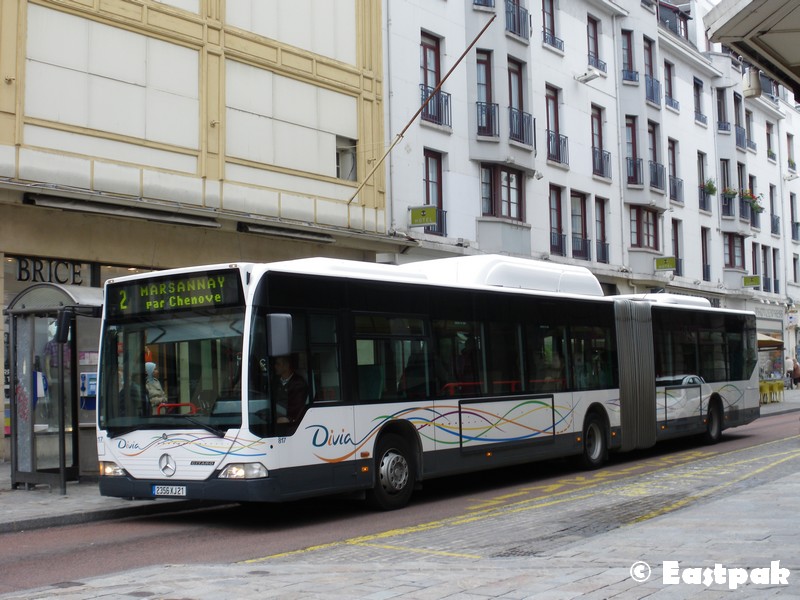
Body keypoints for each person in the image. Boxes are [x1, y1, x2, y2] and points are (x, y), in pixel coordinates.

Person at [273, 355, 308, 423]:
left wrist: (289, 418)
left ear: (287, 366)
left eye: (278, 364)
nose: (275, 366)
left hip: (288, 419)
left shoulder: (298, 383)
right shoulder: (275, 381)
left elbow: (297, 407)